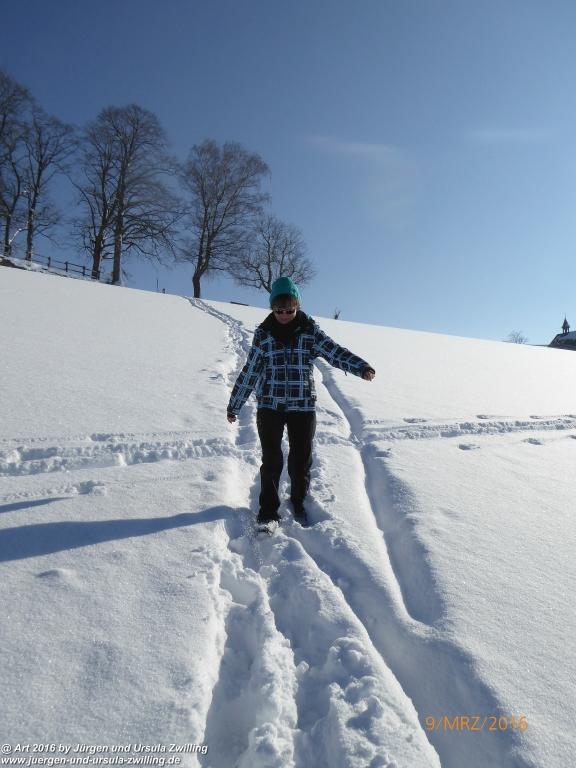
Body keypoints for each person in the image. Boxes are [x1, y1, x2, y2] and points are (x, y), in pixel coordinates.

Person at [227, 277, 375, 527]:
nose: (284, 315)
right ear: (272, 308)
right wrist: (235, 404)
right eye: (279, 310)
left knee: (301, 459)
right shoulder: (263, 335)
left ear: (297, 306)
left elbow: (334, 351)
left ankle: (298, 500)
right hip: (270, 407)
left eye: (289, 310)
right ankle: (268, 511)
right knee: (272, 460)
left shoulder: (310, 331)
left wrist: (361, 367)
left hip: (303, 407)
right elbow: (251, 370)